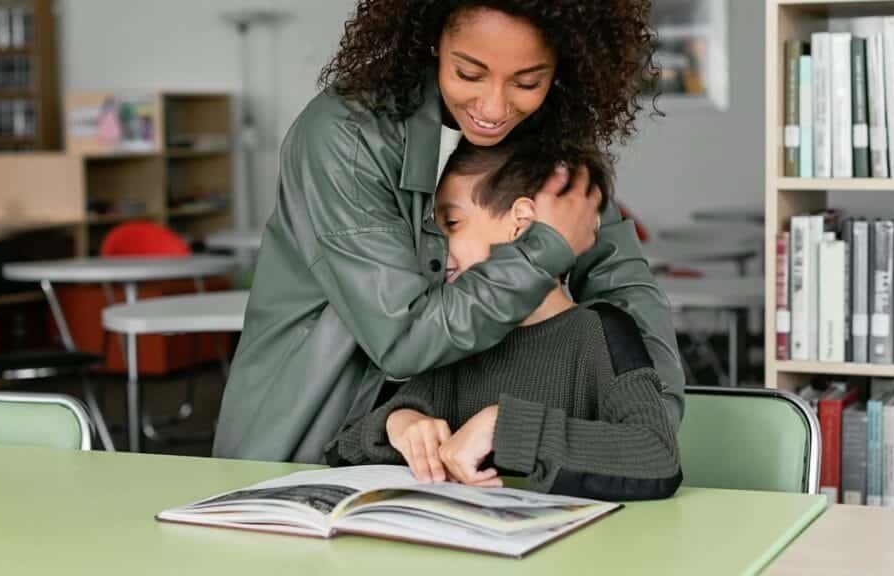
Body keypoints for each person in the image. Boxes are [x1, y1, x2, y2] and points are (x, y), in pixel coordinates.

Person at [213, 0, 684, 463]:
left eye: (527, 81)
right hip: (309, 445)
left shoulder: (554, 136)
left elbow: (624, 287)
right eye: (469, 74)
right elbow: (403, 338)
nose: (494, 107)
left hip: (451, 465)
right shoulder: (346, 137)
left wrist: (646, 422)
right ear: (432, 39)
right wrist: (542, 251)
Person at [327, 140, 682, 501]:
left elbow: (657, 456)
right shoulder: (456, 338)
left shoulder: (602, 333)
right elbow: (343, 448)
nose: (436, 248)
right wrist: (396, 422)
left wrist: (505, 428)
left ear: (522, 223)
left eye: (452, 222)